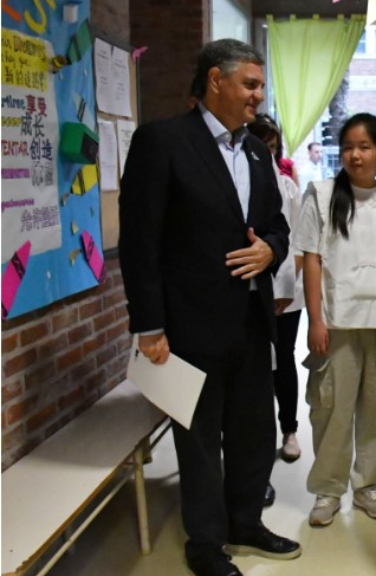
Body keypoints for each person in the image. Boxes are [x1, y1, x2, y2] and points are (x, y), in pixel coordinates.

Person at [119, 39, 301, 576]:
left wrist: (271, 249)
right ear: (215, 81)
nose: (258, 95)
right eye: (250, 84)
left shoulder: (256, 152)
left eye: (261, 85)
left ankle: (246, 520)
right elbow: (140, 241)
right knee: (199, 442)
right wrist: (149, 324)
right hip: (188, 326)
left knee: (253, 430)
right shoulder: (162, 141)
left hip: (250, 321)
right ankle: (205, 544)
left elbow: (277, 226)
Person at [294, 113, 376, 527]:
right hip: (337, 325)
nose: (355, 155)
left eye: (364, 147)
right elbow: (311, 259)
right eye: (348, 147)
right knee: (332, 408)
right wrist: (316, 321)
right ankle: (328, 489)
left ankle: (367, 485)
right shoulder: (320, 195)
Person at [247, 115, 304, 466]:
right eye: (260, 147)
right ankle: (259, 435)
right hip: (251, 293)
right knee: (255, 367)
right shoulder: (239, 185)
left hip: (288, 295)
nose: (267, 154)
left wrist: (282, 290)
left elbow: (297, 241)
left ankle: (289, 429)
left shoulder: (289, 189)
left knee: (283, 361)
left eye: (272, 148)